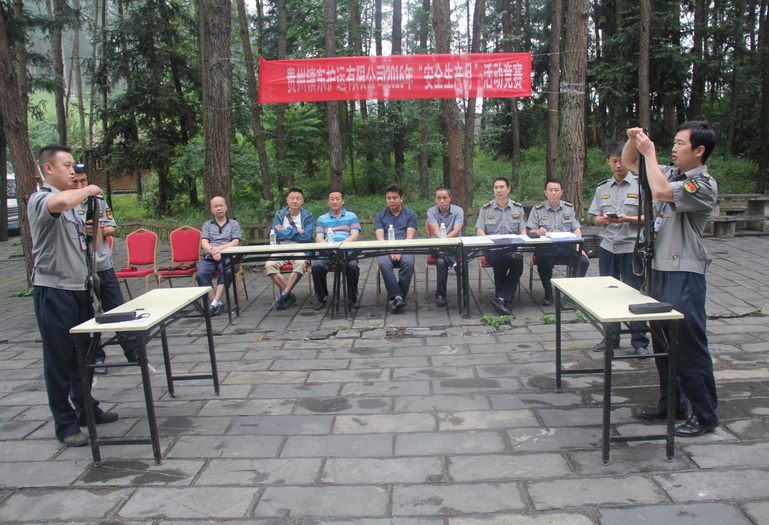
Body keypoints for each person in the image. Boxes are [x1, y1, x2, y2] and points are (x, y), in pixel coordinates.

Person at [623, 121, 719, 437]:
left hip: (684, 272)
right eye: (674, 142)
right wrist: (634, 140)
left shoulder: (703, 184)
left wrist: (649, 152)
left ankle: (705, 414)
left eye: (680, 143)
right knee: (663, 342)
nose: (674, 148)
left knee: (688, 345)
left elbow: (662, 191)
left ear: (699, 150)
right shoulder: (669, 173)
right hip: (660, 269)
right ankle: (673, 404)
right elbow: (630, 161)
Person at [29, 144, 118, 447]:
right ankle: (65, 424)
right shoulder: (41, 199)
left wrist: (93, 233)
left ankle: (85, 409)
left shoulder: (74, 206)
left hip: (80, 289)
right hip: (54, 291)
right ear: (49, 169)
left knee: (85, 355)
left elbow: (88, 247)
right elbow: (62, 201)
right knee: (59, 358)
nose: (73, 170)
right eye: (66, 165)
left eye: (73, 165)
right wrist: (89, 189)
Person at [74, 168, 139, 372]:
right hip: (80, 267)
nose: (80, 186)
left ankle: (133, 352)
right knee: (88, 314)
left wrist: (101, 229)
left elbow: (112, 227)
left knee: (117, 309)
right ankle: (97, 358)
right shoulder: (67, 204)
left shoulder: (97, 201)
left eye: (83, 181)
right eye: (76, 182)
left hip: (102, 264)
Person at [588, 142, 650, 356]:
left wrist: (627, 219)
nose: (618, 165)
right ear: (608, 162)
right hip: (608, 247)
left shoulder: (641, 186)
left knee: (635, 294)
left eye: (621, 161)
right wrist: (604, 219)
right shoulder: (602, 188)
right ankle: (611, 338)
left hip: (632, 248)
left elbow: (649, 218)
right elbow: (595, 219)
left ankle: (640, 342)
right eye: (614, 161)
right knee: (609, 295)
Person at [527, 178, 590, 306]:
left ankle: (571, 293)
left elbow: (576, 228)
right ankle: (548, 293)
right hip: (546, 248)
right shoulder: (537, 210)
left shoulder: (568, 208)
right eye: (550, 190)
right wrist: (538, 232)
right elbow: (530, 231)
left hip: (566, 247)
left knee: (583, 262)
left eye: (556, 190)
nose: (553, 193)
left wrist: (579, 247)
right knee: (543, 261)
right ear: (545, 192)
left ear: (561, 192)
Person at [474, 177, 526, 315]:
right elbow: (480, 231)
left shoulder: (517, 208)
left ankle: (501, 298)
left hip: (512, 248)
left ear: (508, 189)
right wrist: (489, 244)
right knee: (501, 260)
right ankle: (503, 298)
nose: (498, 190)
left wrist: (520, 248)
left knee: (518, 263)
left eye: (501, 187)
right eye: (496, 187)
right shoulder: (486, 208)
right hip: (493, 249)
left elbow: (523, 231)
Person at [312, 189, 362, 310]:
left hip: (347, 249)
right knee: (317, 266)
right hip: (328, 250)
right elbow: (319, 238)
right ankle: (322, 297)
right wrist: (331, 247)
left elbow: (354, 236)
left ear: (343, 201)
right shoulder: (322, 219)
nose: (335, 202)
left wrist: (341, 246)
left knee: (352, 266)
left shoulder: (351, 216)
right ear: (328, 201)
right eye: (332, 199)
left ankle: (352, 297)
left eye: (337, 199)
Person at [266, 188, 314, 310]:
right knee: (269, 265)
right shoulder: (280, 214)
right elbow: (275, 234)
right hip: (281, 249)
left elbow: (306, 237)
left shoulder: (308, 215)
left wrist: (285, 231)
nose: (295, 201)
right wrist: (296, 231)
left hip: (300, 249)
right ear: (287, 200)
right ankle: (288, 294)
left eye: (298, 198)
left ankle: (284, 295)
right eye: (292, 198)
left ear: (302, 201)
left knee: (301, 263)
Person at [374, 183, 418, 313]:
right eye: (388, 198)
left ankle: (398, 296)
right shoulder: (380, 215)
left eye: (394, 198)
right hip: (385, 247)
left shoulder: (410, 214)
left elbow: (409, 237)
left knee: (409, 263)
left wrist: (399, 250)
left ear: (401, 198)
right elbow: (380, 238)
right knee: (384, 263)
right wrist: (390, 250)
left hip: (405, 247)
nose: (391, 201)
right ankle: (397, 297)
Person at [196, 196, 242, 316]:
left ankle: (214, 304)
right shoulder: (207, 225)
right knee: (201, 274)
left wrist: (220, 250)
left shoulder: (234, 224)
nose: (219, 208)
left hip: (228, 256)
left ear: (226, 207)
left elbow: (235, 242)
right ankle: (216, 303)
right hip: (210, 256)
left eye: (221, 205)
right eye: (216, 206)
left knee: (227, 271)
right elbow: (204, 243)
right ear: (212, 209)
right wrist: (213, 252)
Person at [427, 187, 464, 307]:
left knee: (441, 262)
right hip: (437, 245)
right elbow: (435, 230)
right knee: (436, 249)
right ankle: (455, 264)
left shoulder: (458, 211)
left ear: (450, 198)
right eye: (439, 198)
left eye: (444, 198)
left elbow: (457, 230)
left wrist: (445, 242)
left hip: (453, 245)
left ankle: (440, 295)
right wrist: (442, 242)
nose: (442, 201)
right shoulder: (431, 211)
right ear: (435, 199)